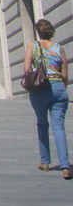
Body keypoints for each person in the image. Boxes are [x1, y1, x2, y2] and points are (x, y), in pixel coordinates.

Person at [24, 18, 71, 179]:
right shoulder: (60, 48)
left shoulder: (33, 45)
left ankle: (45, 162)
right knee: (59, 127)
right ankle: (65, 166)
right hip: (58, 88)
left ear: (38, 31)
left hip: (40, 88)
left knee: (42, 124)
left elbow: (26, 68)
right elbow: (65, 74)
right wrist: (61, 88)